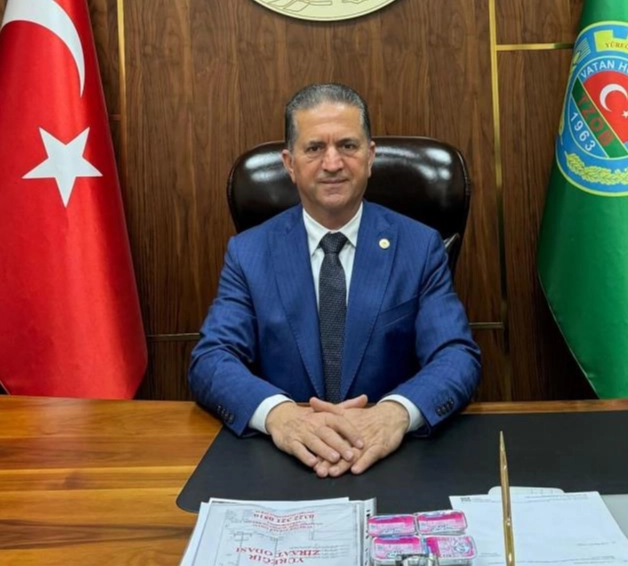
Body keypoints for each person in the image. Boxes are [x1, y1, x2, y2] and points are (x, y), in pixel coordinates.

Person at [189, 83, 481, 478]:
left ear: (370, 156)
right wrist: (280, 416)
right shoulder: (249, 252)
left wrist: (395, 413)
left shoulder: (419, 246)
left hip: (392, 461)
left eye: (347, 146)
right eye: (314, 148)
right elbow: (211, 359)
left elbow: (456, 355)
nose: (332, 163)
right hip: (284, 465)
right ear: (289, 163)